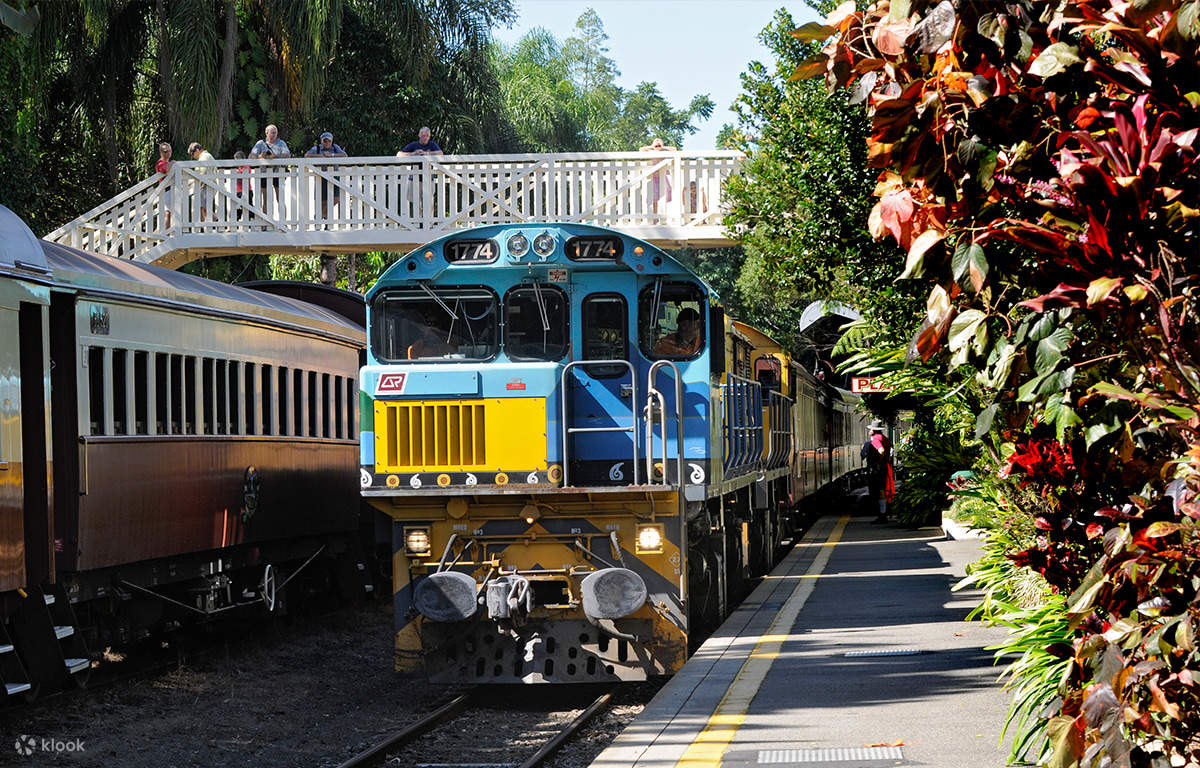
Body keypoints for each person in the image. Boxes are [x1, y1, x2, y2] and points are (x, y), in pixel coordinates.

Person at [305, 131, 348, 219]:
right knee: (323, 201)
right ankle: (324, 223)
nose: (327, 143)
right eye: (325, 141)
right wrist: (321, 156)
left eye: (329, 141)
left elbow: (344, 155)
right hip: (321, 176)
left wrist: (331, 155)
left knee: (336, 198)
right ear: (321, 141)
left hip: (334, 175)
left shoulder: (335, 147)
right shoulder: (317, 148)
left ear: (331, 141)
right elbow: (307, 155)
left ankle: (320, 215)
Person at [250, 124, 291, 212]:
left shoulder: (281, 143)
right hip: (264, 173)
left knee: (280, 199)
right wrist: (260, 156)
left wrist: (275, 156)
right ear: (266, 133)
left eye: (275, 133)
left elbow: (287, 155)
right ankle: (265, 225)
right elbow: (251, 156)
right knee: (266, 200)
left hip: (278, 173)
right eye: (271, 133)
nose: (273, 135)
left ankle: (282, 224)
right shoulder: (260, 143)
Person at [861, 421, 895, 522]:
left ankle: (882, 515)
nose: (869, 431)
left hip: (877, 470)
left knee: (878, 491)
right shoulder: (885, 439)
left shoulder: (875, 439)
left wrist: (878, 462)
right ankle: (883, 513)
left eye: (871, 429)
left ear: (873, 431)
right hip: (885, 468)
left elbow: (882, 450)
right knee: (883, 491)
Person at [639, 138, 677, 213]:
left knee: (663, 196)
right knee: (654, 199)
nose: (657, 144)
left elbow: (674, 149)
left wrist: (662, 147)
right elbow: (641, 149)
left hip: (663, 177)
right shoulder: (651, 151)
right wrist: (652, 146)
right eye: (656, 143)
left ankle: (663, 214)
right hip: (654, 178)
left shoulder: (664, 151)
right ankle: (655, 216)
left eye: (659, 143)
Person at [187, 141, 216, 221]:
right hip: (208, 185)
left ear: (197, 150)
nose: (193, 156)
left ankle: (217, 221)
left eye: (192, 154)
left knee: (204, 207)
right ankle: (206, 226)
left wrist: (197, 186)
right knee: (202, 207)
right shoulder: (204, 156)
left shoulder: (204, 157)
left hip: (207, 185)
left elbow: (203, 174)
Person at [155, 142, 173, 229]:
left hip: (170, 190)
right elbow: (166, 169)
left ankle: (167, 233)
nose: (168, 153)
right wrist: (173, 163)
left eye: (170, 151)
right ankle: (166, 234)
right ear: (161, 153)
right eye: (166, 151)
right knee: (169, 213)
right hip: (166, 191)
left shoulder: (168, 162)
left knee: (168, 213)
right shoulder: (160, 163)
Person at [232, 150, 250, 219]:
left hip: (246, 191)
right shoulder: (240, 168)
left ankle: (257, 222)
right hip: (239, 191)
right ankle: (232, 225)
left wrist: (237, 174)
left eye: (237, 161)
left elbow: (243, 176)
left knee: (249, 209)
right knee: (237, 209)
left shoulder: (246, 167)